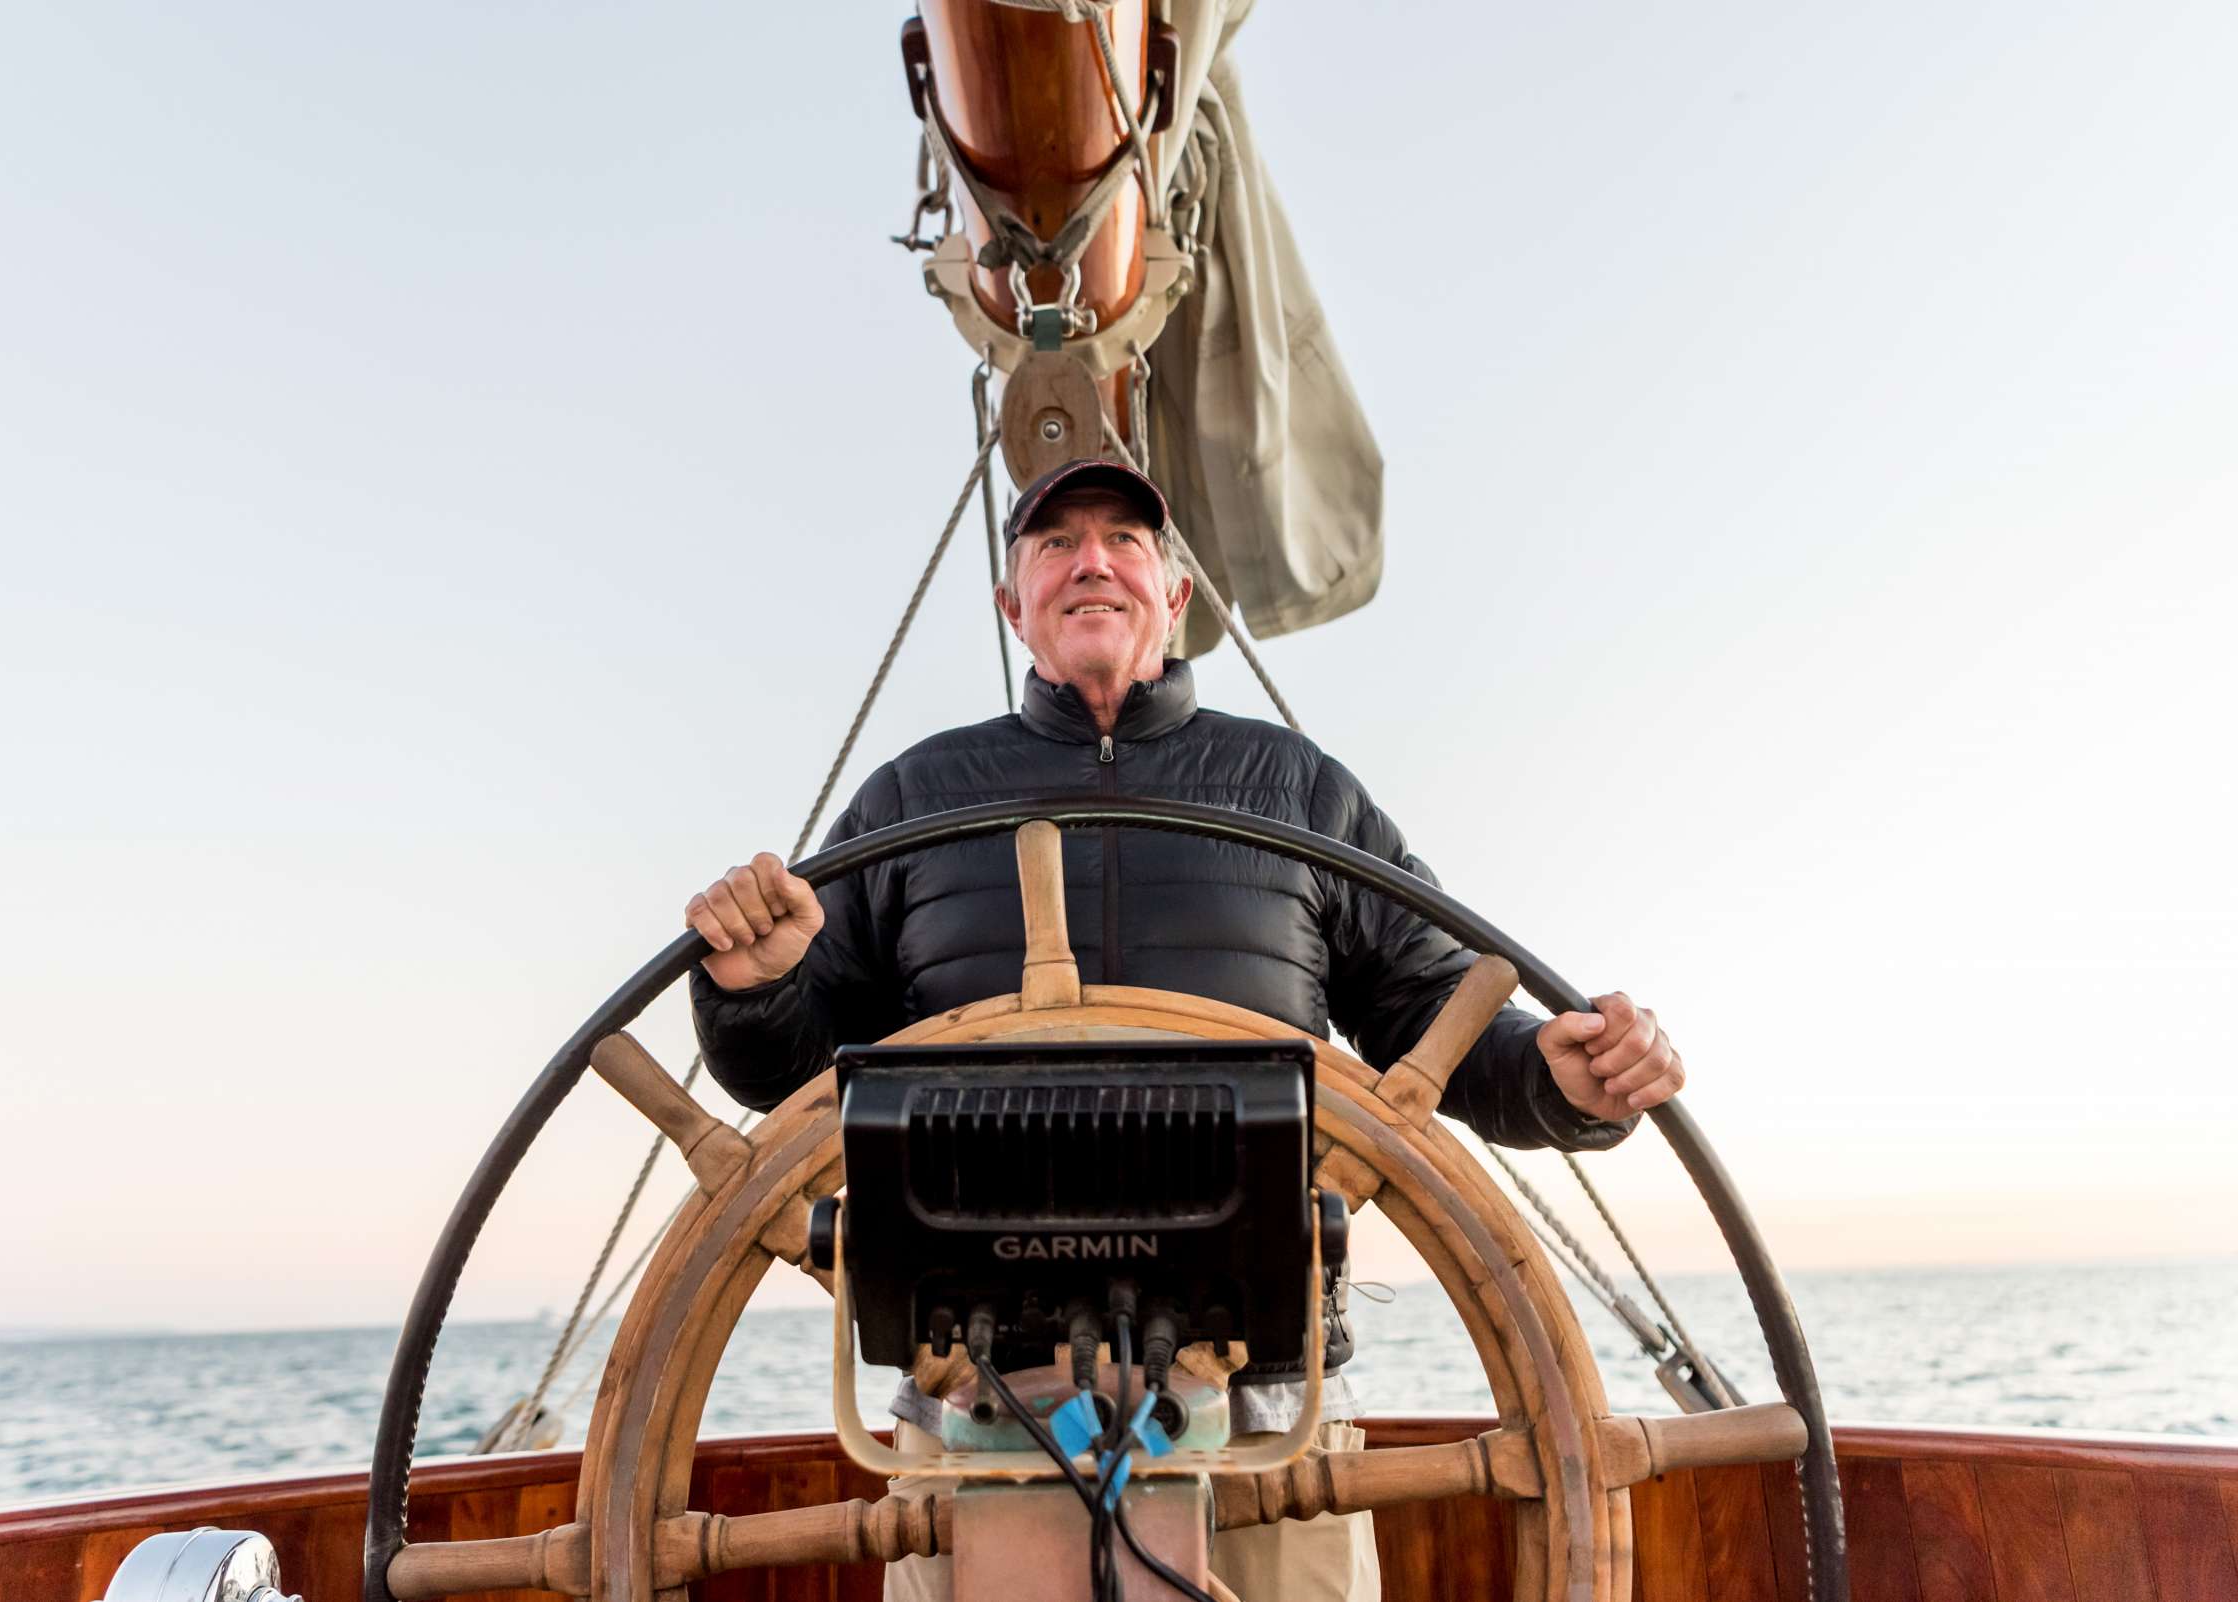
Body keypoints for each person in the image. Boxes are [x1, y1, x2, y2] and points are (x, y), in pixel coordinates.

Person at [683, 458, 1687, 1601]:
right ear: (1015, 603)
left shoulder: (1296, 791)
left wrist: (1563, 1082)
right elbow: (792, 1080)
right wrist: (755, 989)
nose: (1092, 561)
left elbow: (1432, 1011)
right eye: (1056, 545)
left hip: (1265, 1395)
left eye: (1123, 540)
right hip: (971, 1389)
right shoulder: (914, 799)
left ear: (1178, 593)